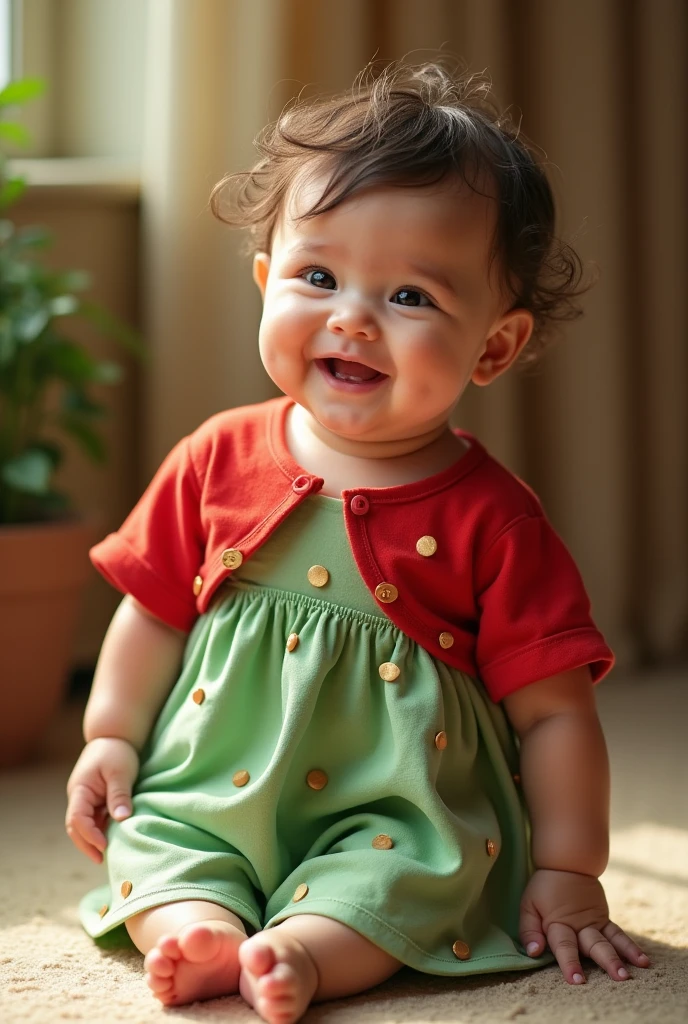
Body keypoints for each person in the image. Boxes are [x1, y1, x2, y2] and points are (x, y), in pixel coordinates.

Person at [65, 61, 650, 1023]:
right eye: (319, 276)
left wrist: (568, 869)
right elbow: (154, 609)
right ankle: (200, 927)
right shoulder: (217, 455)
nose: (351, 317)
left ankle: (304, 949)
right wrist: (111, 737)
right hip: (210, 783)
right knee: (156, 840)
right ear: (266, 281)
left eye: (412, 297)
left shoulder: (492, 519)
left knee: (411, 877)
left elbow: (553, 717)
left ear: (494, 347)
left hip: (397, 807)